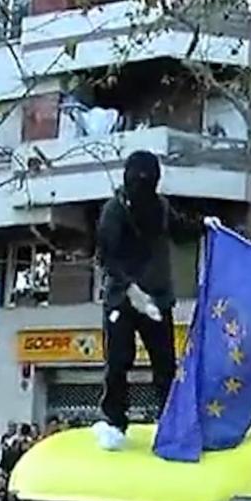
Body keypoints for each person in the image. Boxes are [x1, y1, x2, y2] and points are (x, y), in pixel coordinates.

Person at [95, 150, 202, 447]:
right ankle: (114, 421)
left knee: (165, 365)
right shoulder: (115, 211)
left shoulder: (161, 208)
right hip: (123, 297)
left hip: (156, 299)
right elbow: (105, 257)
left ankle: (171, 421)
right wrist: (130, 289)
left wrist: (206, 225)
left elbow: (181, 230)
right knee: (118, 360)